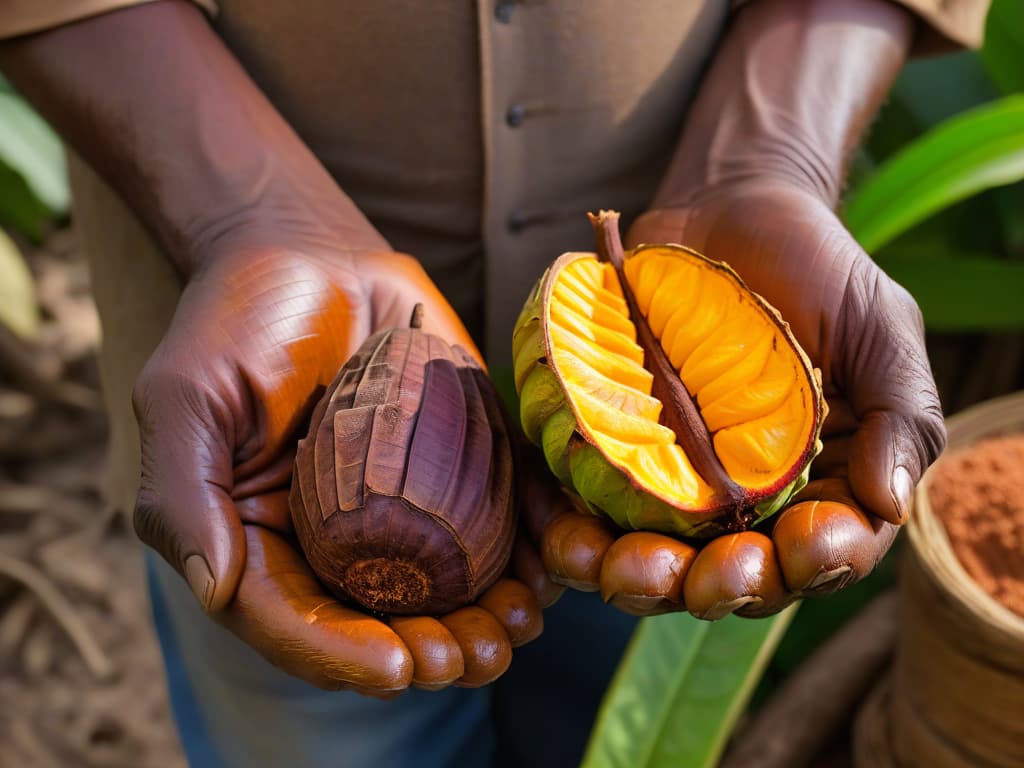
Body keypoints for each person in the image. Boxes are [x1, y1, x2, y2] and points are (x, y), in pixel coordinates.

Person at [0, 0, 985, 765]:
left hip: (646, 422)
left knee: (603, 726)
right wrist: (242, 215)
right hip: (274, 399)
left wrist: (771, 150)